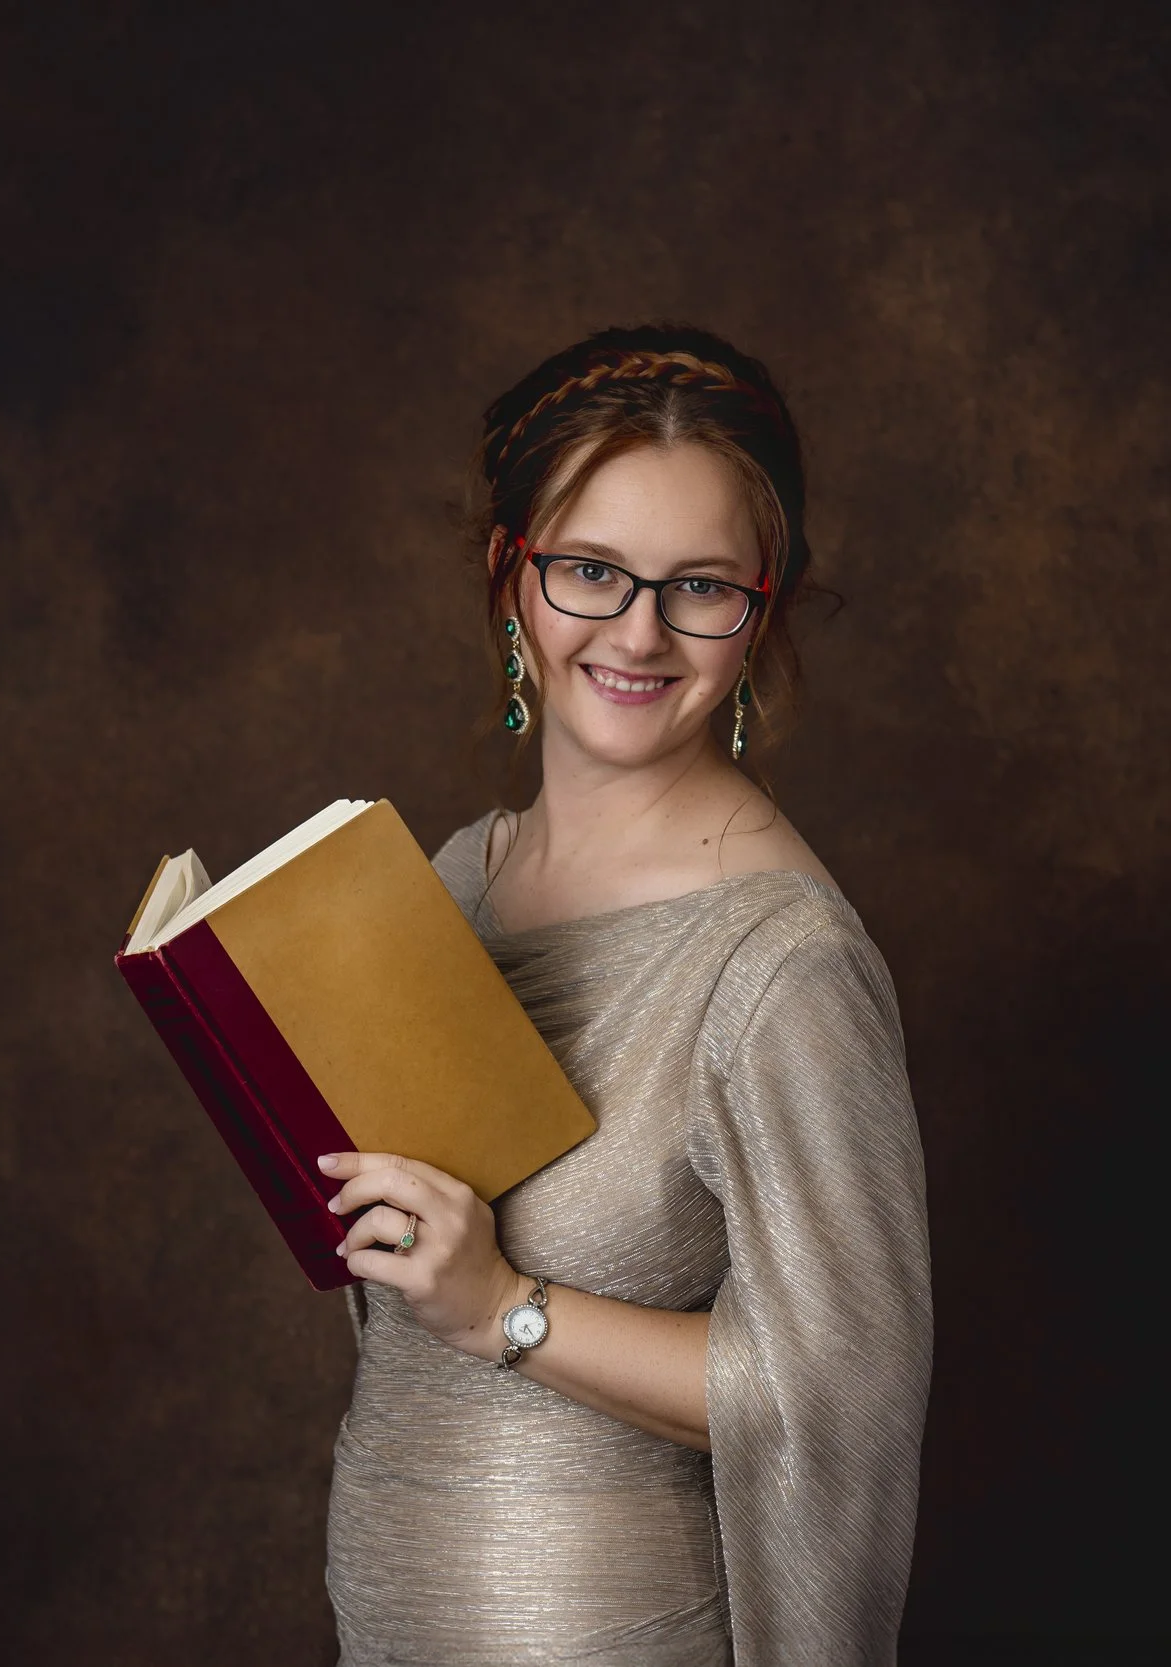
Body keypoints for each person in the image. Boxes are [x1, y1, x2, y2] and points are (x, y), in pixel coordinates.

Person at [317, 325, 933, 1665]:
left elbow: (840, 1399)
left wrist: (503, 1309)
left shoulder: (785, 964)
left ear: (761, 608)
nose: (637, 632)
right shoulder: (455, 879)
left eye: (699, 585)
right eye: (591, 570)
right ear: (509, 578)